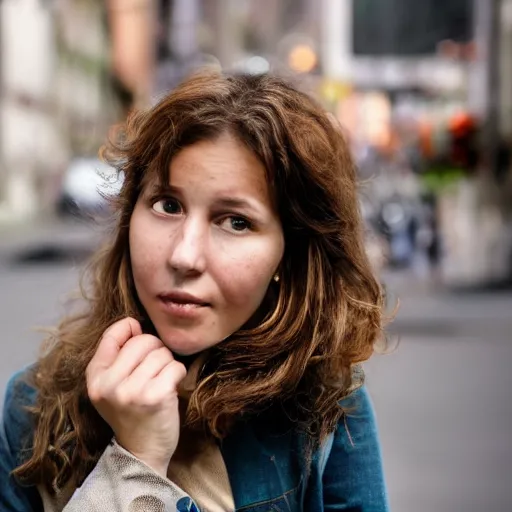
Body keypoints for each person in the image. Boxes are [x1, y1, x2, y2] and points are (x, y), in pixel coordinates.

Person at [0, 71, 389, 511]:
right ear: (130, 217)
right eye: (168, 205)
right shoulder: (34, 405)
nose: (185, 256)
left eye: (236, 221)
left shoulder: (325, 407)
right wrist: (136, 461)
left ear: (289, 253)